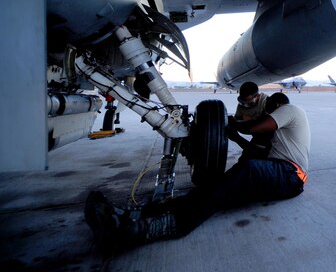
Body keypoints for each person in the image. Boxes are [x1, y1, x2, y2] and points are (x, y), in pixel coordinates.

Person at [84, 92, 310, 251]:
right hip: (280, 176)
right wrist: (233, 134)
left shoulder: (291, 109)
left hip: (292, 175)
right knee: (216, 190)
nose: (266, 115)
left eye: (268, 112)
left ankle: (160, 228)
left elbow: (254, 129)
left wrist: (228, 123)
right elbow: (256, 151)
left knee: (243, 172)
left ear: (276, 107)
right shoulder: (283, 137)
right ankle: (138, 215)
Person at [229, 81, 273, 159]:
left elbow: (270, 123)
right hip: (255, 134)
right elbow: (237, 120)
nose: (245, 104)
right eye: (243, 101)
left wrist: (252, 119)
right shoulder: (242, 105)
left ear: (258, 96)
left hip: (269, 138)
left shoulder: (266, 102)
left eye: (249, 102)